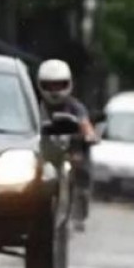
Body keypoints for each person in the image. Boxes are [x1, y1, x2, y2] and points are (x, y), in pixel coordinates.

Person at [37, 59, 97, 231]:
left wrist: (89, 135)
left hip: (71, 148)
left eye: (59, 85)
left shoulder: (75, 107)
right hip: (44, 150)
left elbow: (85, 124)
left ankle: (79, 212)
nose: (55, 91)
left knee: (82, 169)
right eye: (50, 86)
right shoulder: (35, 106)